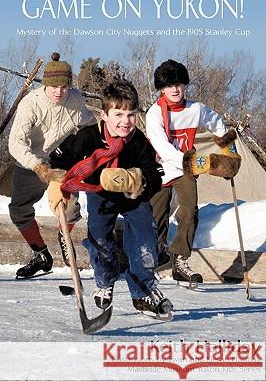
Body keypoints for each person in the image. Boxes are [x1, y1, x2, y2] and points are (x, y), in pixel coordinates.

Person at [47, 80, 173, 319]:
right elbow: (60, 160)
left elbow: (154, 176)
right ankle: (104, 282)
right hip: (100, 196)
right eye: (119, 114)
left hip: (132, 199)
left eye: (131, 114)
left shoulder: (138, 142)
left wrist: (135, 179)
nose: (125, 121)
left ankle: (143, 292)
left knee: (145, 238)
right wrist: (56, 181)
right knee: (100, 240)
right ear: (104, 115)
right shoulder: (88, 136)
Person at [146, 59, 241, 286]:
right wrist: (198, 163)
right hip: (160, 167)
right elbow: (163, 149)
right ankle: (152, 256)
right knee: (156, 215)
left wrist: (230, 153)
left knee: (189, 210)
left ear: (185, 85)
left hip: (184, 170)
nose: (175, 90)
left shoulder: (195, 109)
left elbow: (217, 123)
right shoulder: (155, 113)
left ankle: (180, 259)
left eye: (179, 84)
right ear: (162, 89)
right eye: (169, 86)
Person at [8, 52, 96, 278]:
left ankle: (64, 235)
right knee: (19, 211)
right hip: (32, 161)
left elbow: (89, 122)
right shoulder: (31, 103)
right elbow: (15, 143)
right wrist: (38, 166)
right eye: (54, 87)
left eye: (64, 87)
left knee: (69, 206)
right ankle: (41, 254)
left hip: (59, 158)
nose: (59, 92)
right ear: (45, 85)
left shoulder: (76, 100)